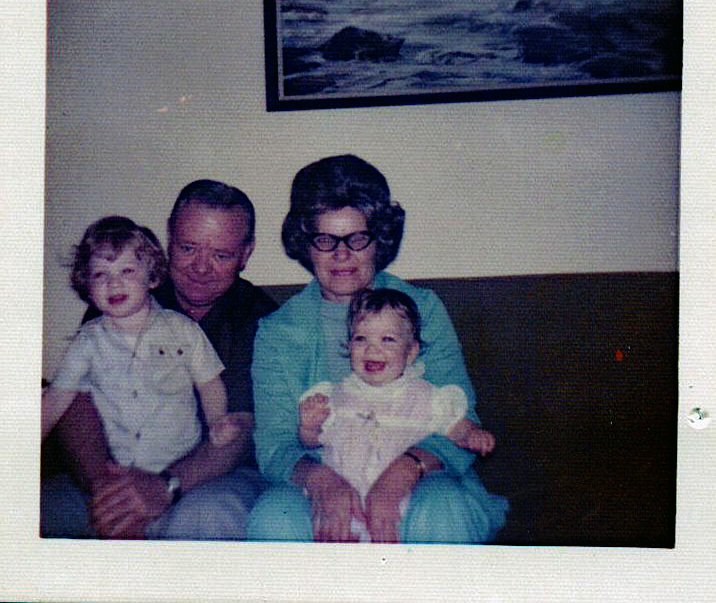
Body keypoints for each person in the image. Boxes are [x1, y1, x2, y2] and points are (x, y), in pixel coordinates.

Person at [247, 154, 508, 543]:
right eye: (325, 240)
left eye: (357, 239)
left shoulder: (423, 308)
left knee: (444, 507)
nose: (341, 255)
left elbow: (462, 419)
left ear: (379, 239)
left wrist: (405, 470)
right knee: (274, 515)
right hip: (320, 476)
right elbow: (273, 446)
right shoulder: (278, 331)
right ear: (306, 244)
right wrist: (321, 480)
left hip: (424, 476)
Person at [41, 180, 277, 539]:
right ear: (169, 238)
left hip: (215, 477)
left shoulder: (259, 319)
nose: (201, 268)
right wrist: (109, 492)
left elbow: (240, 428)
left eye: (221, 255)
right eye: (188, 248)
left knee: (205, 518)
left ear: (246, 253)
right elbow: (76, 403)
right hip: (112, 472)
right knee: (38, 510)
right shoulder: (121, 291)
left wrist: (164, 486)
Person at [298, 288, 497, 542]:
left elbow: (455, 428)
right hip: (346, 512)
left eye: (388, 340)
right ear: (349, 346)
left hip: (403, 510)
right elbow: (311, 443)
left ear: (411, 352)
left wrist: (472, 434)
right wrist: (309, 427)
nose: (372, 350)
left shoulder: (427, 397)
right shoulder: (334, 397)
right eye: (361, 339)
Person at [42, 216, 242, 461]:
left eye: (127, 271)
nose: (114, 283)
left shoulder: (183, 329)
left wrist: (217, 421)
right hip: (119, 467)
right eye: (100, 275)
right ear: (87, 285)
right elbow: (57, 397)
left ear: (152, 276)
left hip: (182, 462)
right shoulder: (86, 342)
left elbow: (209, 383)